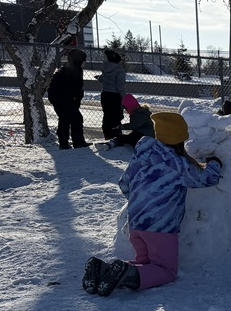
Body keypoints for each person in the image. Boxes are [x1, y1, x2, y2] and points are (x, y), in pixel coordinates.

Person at [82, 112, 223, 296]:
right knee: (166, 270)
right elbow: (206, 179)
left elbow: (124, 183)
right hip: (161, 228)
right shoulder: (177, 164)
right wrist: (214, 163)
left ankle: (104, 270)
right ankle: (124, 273)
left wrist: (141, 203)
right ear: (180, 138)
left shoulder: (141, 155)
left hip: (136, 223)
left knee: (145, 265)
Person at [47, 48, 88, 149]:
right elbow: (77, 88)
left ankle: (66, 142)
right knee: (74, 119)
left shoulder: (66, 68)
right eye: (84, 60)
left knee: (66, 119)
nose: (84, 62)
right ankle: (76, 142)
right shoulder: (76, 70)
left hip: (58, 97)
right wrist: (77, 100)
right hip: (64, 98)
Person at [97, 49, 127, 141]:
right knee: (116, 115)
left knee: (107, 115)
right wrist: (124, 97)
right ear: (118, 61)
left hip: (105, 94)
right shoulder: (120, 71)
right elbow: (120, 86)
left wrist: (99, 78)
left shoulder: (105, 69)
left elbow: (102, 79)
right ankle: (116, 134)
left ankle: (107, 133)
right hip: (115, 96)